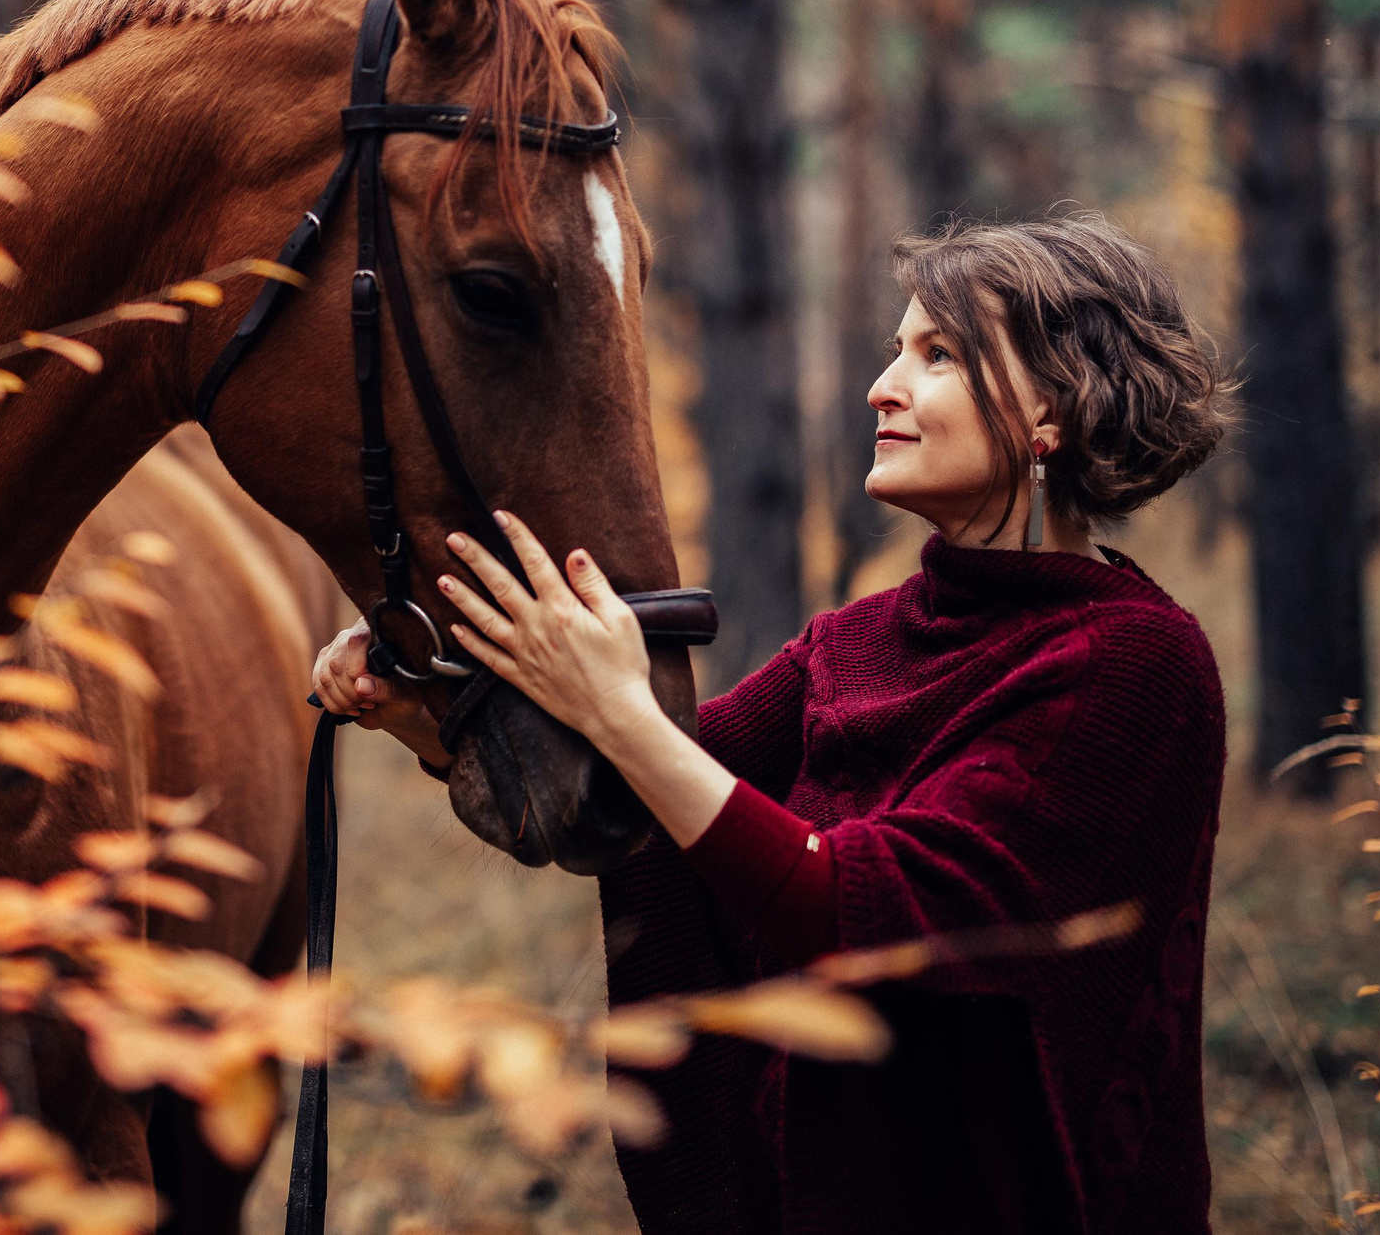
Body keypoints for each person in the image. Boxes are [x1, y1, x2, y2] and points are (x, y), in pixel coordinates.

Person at [313, 213, 1235, 1234]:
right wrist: (424, 718)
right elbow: (647, 811)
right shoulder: (858, 637)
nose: (882, 385)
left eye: (936, 354)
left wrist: (623, 711)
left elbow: (865, 911)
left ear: (1051, 410)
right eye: (894, 349)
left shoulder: (1134, 664)